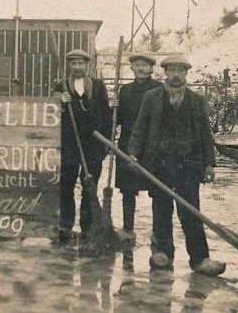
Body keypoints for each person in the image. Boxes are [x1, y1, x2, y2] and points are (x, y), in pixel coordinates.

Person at [128, 54, 225, 276]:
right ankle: (163, 253)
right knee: (161, 208)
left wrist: (209, 164)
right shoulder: (151, 97)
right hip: (159, 163)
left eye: (180, 70)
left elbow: (204, 134)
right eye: (172, 70)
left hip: (188, 164)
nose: (176, 75)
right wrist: (133, 153)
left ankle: (200, 259)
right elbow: (140, 128)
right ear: (165, 73)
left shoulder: (196, 100)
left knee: (191, 210)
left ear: (186, 74)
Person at [56, 48, 112, 242]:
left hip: (93, 144)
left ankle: (87, 225)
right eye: (74, 63)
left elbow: (106, 115)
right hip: (70, 144)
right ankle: (65, 224)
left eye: (81, 63)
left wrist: (105, 144)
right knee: (66, 185)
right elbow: (52, 116)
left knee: (90, 185)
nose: (78, 67)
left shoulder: (97, 86)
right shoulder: (61, 86)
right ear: (69, 65)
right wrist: (60, 104)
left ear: (87, 65)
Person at [114, 53, 161, 241]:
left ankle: (158, 232)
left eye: (144, 65)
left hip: (153, 146)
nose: (141, 68)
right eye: (137, 65)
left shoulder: (159, 89)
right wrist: (113, 108)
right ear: (131, 68)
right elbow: (118, 119)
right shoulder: (125, 91)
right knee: (127, 189)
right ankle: (128, 229)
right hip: (128, 144)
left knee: (157, 189)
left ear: (151, 69)